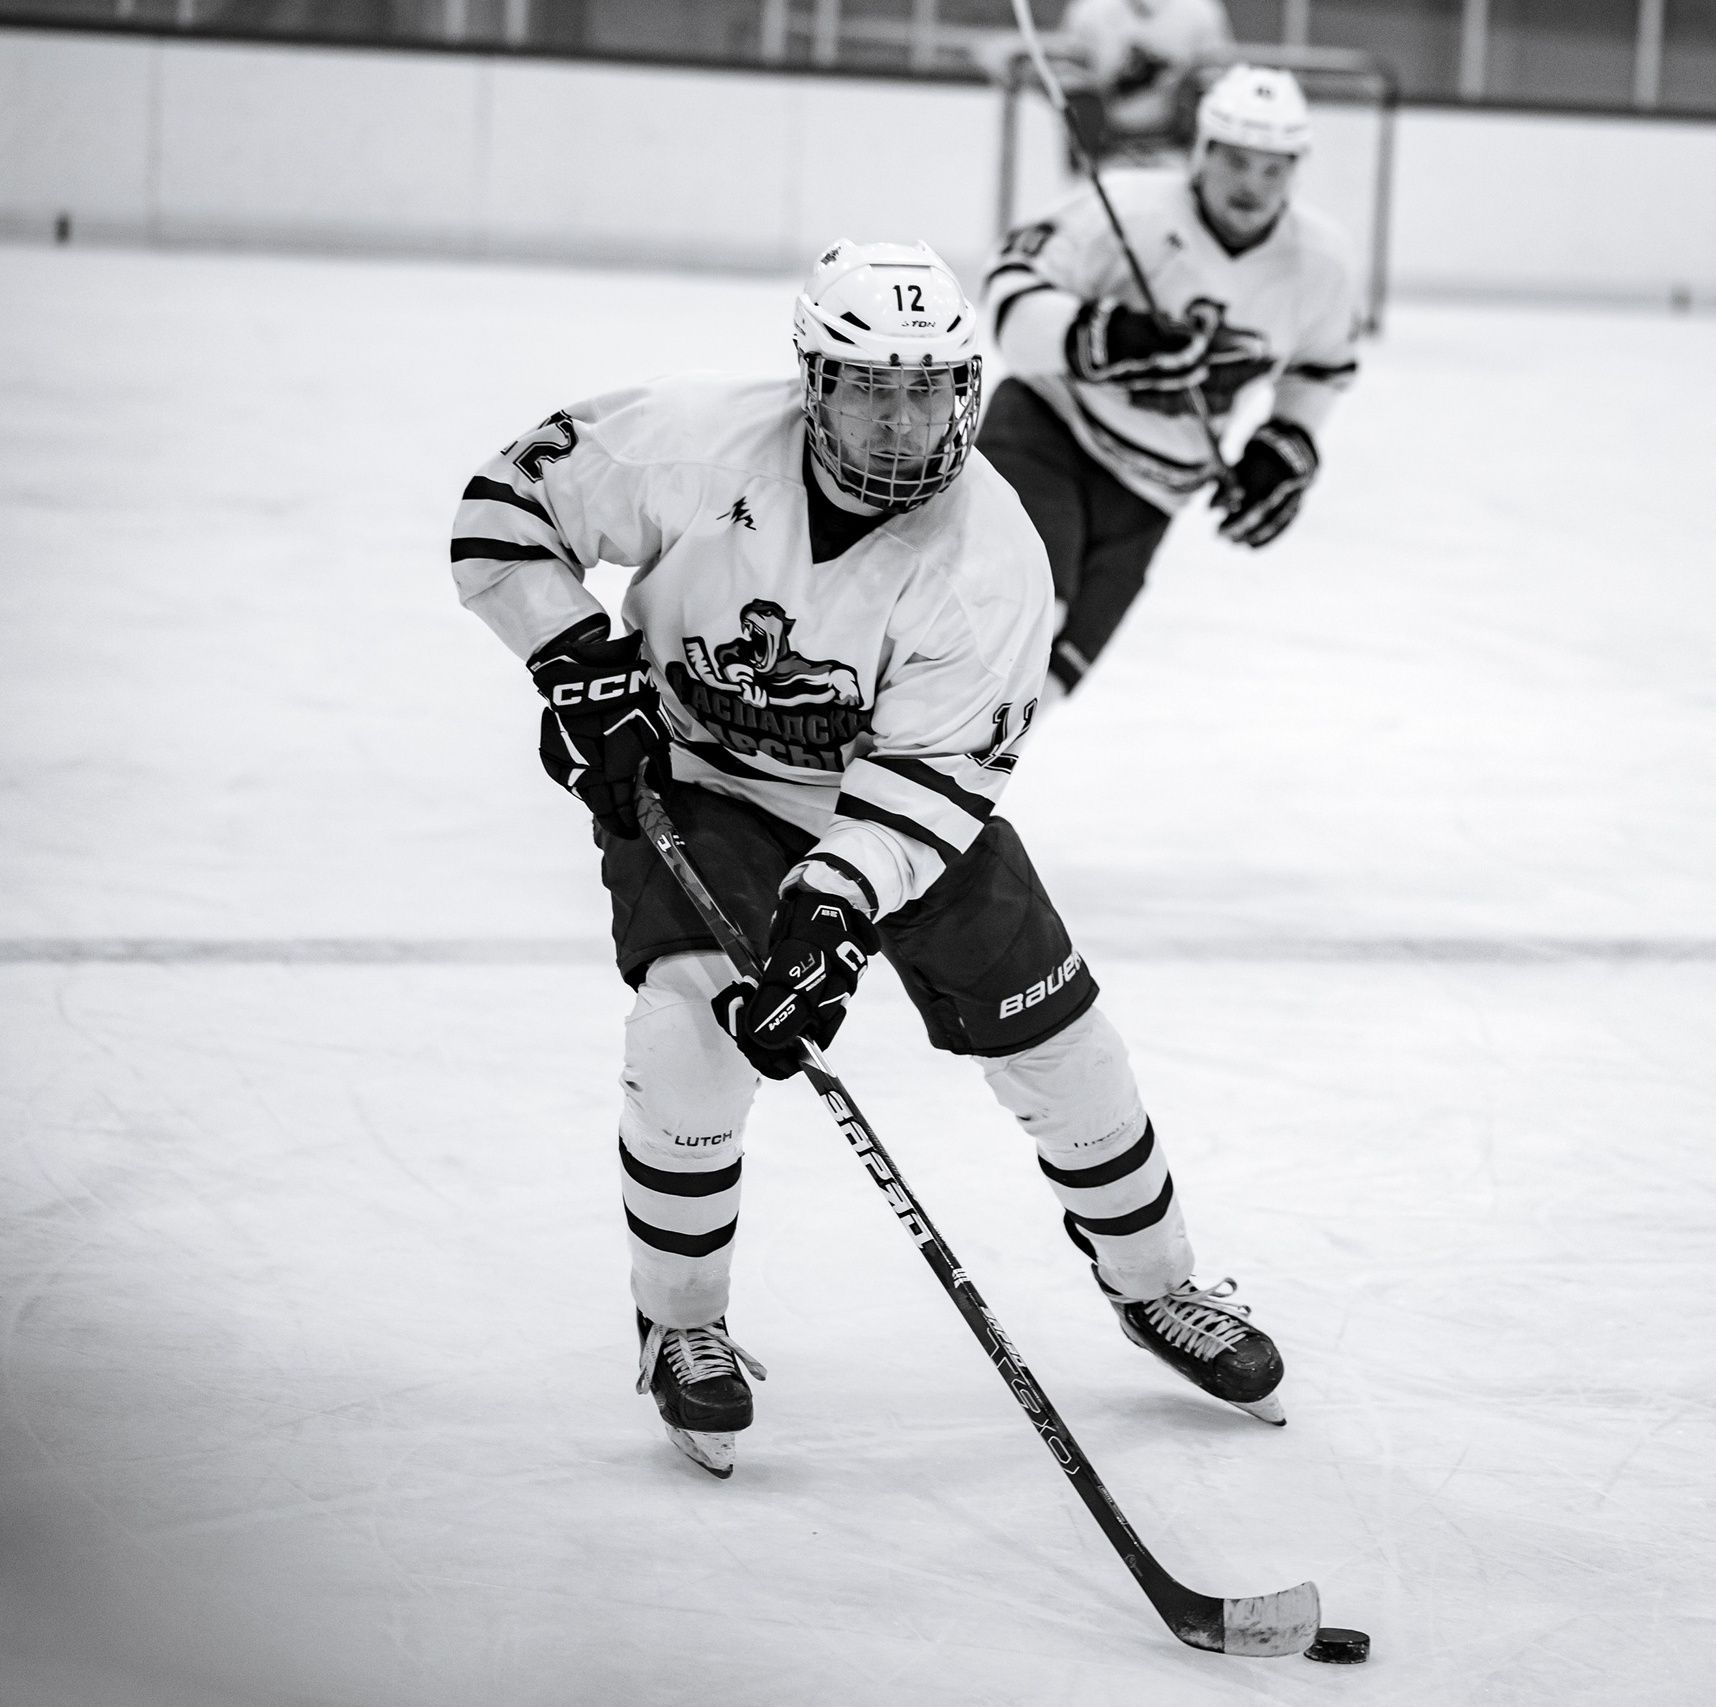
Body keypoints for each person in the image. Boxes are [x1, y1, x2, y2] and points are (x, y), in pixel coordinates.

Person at [447, 240, 1287, 1480]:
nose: (902, 422)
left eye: (928, 388)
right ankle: (683, 1328)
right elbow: (503, 507)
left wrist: (833, 914)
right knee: (693, 1031)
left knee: (1062, 1041)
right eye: (869, 387)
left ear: (967, 390)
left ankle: (1158, 1288)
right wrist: (573, 660)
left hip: (890, 810)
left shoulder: (994, 557)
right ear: (812, 381)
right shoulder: (688, 439)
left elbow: (934, 782)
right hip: (705, 782)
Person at [978, 64, 1361, 701]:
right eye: (1237, 161)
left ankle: (952, 799)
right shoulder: (1126, 207)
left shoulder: (1321, 262)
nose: (1252, 187)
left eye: (1274, 169)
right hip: (1047, 434)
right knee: (1010, 630)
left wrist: (1287, 438)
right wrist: (1095, 335)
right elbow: (1009, 299)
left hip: (1154, 495)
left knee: (1051, 681)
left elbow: (1319, 366)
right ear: (1202, 152)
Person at [1057, 0, 1234, 168]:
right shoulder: (1088, 9)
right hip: (1107, 151)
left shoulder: (1202, 11)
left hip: (1176, 152)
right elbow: (1071, 86)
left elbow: (1217, 88)